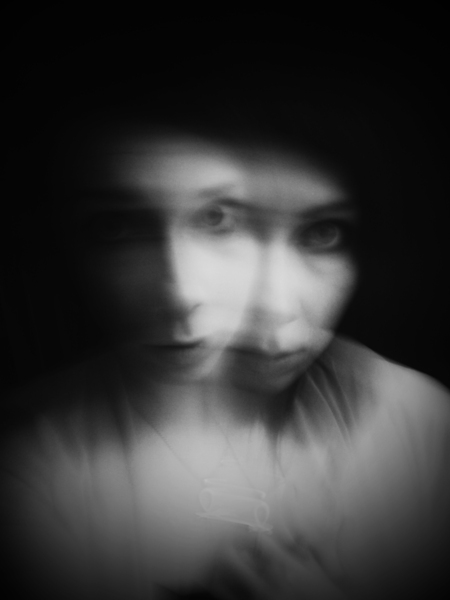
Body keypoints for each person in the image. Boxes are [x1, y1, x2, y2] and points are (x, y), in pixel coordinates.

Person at [1, 70, 449, 600]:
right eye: (118, 227)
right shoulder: (32, 464)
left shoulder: (420, 426)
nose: (180, 291)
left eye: (323, 234)